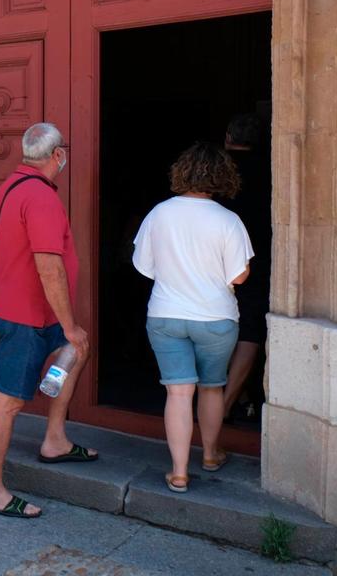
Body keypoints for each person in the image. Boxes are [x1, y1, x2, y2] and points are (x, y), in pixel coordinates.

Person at [0, 122, 96, 520]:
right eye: (65, 151)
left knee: (75, 353)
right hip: (25, 316)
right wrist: (70, 323)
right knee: (9, 400)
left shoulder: (10, 186)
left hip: (30, 310)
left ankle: (55, 439)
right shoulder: (40, 197)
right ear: (57, 155)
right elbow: (49, 267)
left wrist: (67, 328)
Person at [132, 142, 252, 493]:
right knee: (212, 388)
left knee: (178, 393)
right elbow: (240, 276)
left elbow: (145, 267)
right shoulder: (229, 220)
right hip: (216, 318)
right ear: (221, 177)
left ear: (181, 172)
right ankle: (211, 454)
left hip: (166, 314)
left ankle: (179, 472)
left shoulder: (159, 213)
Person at [219, 114, 271, 421]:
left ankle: (211, 401)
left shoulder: (217, 172)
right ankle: (225, 404)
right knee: (250, 331)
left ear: (227, 136)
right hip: (259, 261)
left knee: (215, 326)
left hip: (216, 261)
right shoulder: (271, 168)